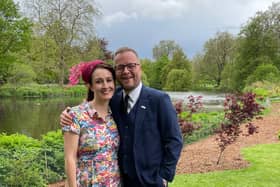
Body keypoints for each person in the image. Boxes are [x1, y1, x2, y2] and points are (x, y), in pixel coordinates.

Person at [61, 47, 183, 187]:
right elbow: (91, 107)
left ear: (140, 68)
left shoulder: (159, 100)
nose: (126, 71)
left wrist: (164, 176)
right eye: (120, 67)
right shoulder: (113, 99)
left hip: (151, 181)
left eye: (131, 65)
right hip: (121, 181)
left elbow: (174, 140)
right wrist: (68, 113)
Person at [62, 60, 121, 187]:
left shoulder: (116, 114)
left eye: (109, 80)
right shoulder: (75, 115)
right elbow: (70, 158)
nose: (106, 86)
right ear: (91, 86)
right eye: (99, 81)